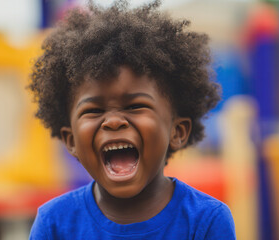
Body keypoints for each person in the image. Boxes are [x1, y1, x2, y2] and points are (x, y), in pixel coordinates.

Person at [28, 0, 236, 239]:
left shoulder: (206, 221)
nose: (114, 122)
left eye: (136, 106)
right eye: (94, 110)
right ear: (71, 140)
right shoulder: (54, 224)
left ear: (177, 132)